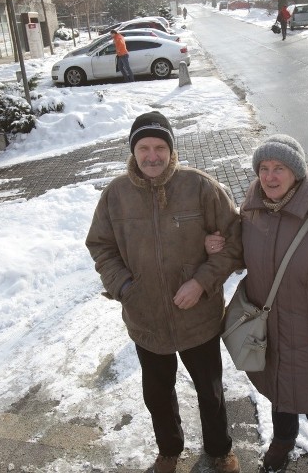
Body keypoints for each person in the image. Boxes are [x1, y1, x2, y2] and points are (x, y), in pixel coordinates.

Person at [86, 111, 243, 473]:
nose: (152, 155)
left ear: (172, 150)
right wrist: (125, 287)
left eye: (160, 147)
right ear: (133, 151)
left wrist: (201, 281)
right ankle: (169, 450)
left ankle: (219, 450)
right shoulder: (115, 196)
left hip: (198, 317)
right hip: (147, 319)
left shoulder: (201, 187)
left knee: (211, 391)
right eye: (144, 147)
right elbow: (100, 246)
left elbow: (234, 243)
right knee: (157, 395)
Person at [208, 134, 308, 472]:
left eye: (279, 168)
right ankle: (282, 442)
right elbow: (240, 257)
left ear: (297, 172)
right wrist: (215, 246)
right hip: (270, 336)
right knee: (280, 396)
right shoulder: (252, 212)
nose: (270, 177)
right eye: (263, 168)